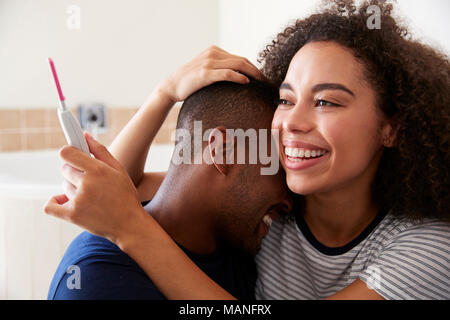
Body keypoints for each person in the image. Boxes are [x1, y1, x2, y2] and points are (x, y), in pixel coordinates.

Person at [44, 0, 450, 300]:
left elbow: (123, 205)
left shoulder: (427, 247)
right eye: (286, 100)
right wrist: (164, 93)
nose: (291, 122)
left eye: (326, 101)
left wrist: (131, 228)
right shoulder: (279, 207)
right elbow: (120, 186)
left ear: (390, 128)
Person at [47, 80, 292, 299]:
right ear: (223, 151)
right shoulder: (99, 278)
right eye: (280, 168)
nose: (291, 201)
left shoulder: (237, 243)